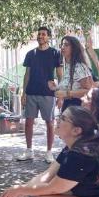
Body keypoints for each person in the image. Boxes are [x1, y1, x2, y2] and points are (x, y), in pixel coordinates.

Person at [20, 26, 62, 162]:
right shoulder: (30, 54)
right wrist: (23, 93)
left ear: (48, 37)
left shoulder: (55, 53)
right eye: (39, 34)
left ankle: (49, 152)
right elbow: (27, 75)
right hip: (31, 92)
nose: (40, 36)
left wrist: (60, 93)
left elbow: (60, 75)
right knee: (28, 122)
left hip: (48, 94)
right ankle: (28, 151)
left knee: (50, 123)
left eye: (43, 34)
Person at [49, 35, 94, 112]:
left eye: (66, 45)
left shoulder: (79, 67)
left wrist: (65, 93)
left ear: (74, 48)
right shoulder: (69, 66)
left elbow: (89, 91)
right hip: (69, 107)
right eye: (62, 45)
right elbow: (73, 86)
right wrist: (56, 88)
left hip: (78, 108)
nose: (62, 47)